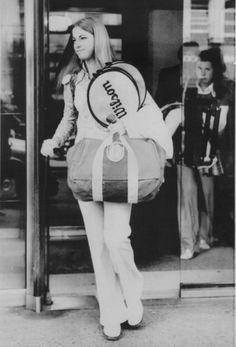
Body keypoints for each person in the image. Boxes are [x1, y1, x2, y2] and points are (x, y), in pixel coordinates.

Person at [41, 17, 173, 341]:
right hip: (87, 164)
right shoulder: (72, 80)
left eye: (83, 37)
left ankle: (132, 294)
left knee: (116, 239)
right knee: (98, 247)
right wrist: (55, 141)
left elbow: (144, 113)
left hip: (118, 163)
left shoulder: (122, 76)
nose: (77, 43)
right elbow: (68, 119)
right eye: (74, 39)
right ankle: (110, 314)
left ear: (98, 39)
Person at [165, 47, 233, 260]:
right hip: (186, 150)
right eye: (199, 68)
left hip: (210, 152)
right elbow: (173, 114)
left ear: (215, 71)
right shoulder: (186, 88)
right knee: (187, 197)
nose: (202, 73)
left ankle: (205, 234)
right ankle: (187, 243)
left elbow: (221, 125)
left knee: (208, 197)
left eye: (207, 69)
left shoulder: (225, 91)